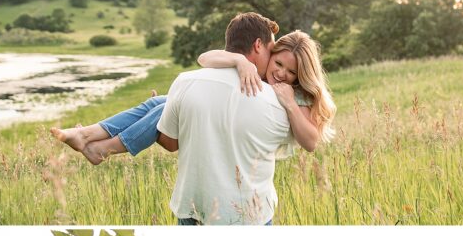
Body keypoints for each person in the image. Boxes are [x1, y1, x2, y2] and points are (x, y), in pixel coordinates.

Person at [54, 20, 336, 197]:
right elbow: (205, 57)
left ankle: (101, 146)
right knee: (159, 102)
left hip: (246, 174)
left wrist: (287, 100)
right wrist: (240, 62)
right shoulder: (255, 74)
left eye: (291, 71)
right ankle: (90, 136)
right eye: (278, 63)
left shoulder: (297, 94)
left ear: (302, 75)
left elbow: (310, 141)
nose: (280, 73)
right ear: (266, 53)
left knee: (164, 104)